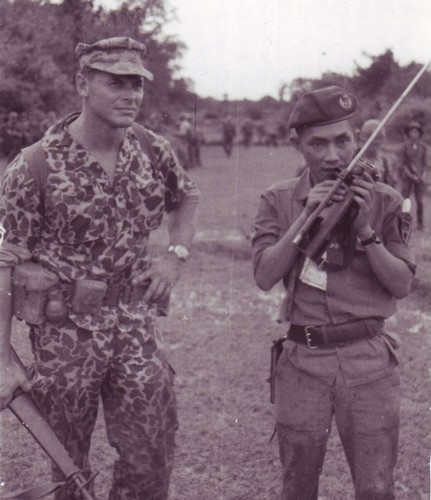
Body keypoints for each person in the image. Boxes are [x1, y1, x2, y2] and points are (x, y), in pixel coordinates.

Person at [0, 37, 199, 500]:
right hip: (64, 334)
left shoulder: (152, 149)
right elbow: (5, 264)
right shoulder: (33, 166)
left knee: (151, 453)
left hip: (135, 326)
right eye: (117, 84)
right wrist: (2, 359)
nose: (131, 95)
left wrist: (175, 255)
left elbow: (186, 196)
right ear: (82, 84)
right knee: (69, 465)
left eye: (137, 85)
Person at [252, 85, 415, 500]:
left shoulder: (385, 199)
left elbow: (402, 284)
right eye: (317, 143)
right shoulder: (277, 199)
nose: (332, 156)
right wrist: (306, 215)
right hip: (303, 362)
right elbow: (265, 275)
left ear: (357, 137)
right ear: (297, 145)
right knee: (298, 486)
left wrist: (365, 231)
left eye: (343, 140)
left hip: (370, 364)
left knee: (377, 487)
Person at [399, 120, 428, 230]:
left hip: (420, 179)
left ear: (419, 134)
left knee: (420, 201)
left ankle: (420, 225)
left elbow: (426, 164)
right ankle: (403, 223)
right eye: (412, 132)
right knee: (405, 200)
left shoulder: (423, 148)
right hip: (407, 178)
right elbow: (402, 165)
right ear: (408, 134)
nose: (414, 134)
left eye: (416, 132)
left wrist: (423, 176)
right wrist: (411, 176)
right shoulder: (404, 147)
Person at [358, 119, 397, 188]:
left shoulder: (384, 162)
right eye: (370, 144)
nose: (372, 147)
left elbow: (390, 184)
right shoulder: (354, 160)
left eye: (375, 144)